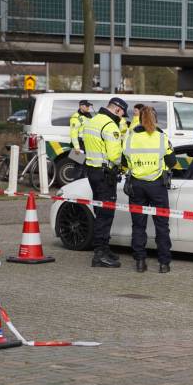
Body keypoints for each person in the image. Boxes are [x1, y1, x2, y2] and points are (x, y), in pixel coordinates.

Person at [122, 106, 176, 273]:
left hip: (137, 185)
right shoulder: (161, 137)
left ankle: (140, 262)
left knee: (138, 225)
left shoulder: (130, 138)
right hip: (157, 185)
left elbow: (124, 163)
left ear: (139, 119)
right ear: (156, 119)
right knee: (162, 225)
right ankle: (164, 264)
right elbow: (172, 161)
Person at [83, 96, 128, 268]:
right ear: (117, 109)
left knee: (100, 211)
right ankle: (100, 254)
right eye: (122, 113)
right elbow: (114, 155)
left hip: (93, 172)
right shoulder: (110, 126)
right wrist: (124, 165)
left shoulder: (93, 121)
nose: (121, 117)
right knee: (105, 214)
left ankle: (104, 248)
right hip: (105, 175)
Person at [68, 99, 92, 177]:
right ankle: (75, 186)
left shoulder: (88, 116)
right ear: (81, 106)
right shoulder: (76, 117)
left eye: (89, 106)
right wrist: (76, 147)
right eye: (87, 106)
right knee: (78, 167)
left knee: (86, 167)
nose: (88, 108)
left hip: (87, 144)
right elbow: (73, 133)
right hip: (79, 145)